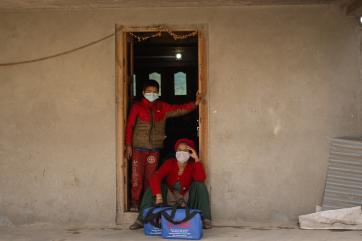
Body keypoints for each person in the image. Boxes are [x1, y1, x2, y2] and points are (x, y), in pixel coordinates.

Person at [125, 79, 203, 211]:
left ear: (158, 93)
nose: (152, 94)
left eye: (155, 92)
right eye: (149, 91)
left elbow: (179, 109)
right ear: (143, 92)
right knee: (136, 177)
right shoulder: (137, 107)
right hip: (138, 147)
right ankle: (135, 202)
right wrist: (128, 145)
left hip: (154, 148)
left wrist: (194, 104)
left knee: (150, 178)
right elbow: (129, 126)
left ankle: (147, 202)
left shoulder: (162, 107)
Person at [129, 138, 212, 230]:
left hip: (186, 199)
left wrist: (196, 159)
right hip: (169, 197)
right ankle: (141, 220)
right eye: (179, 150)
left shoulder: (192, 165)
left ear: (190, 152)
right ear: (176, 151)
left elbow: (200, 178)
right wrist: (158, 195)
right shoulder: (170, 163)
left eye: (185, 150)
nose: (181, 153)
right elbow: (156, 177)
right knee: (153, 188)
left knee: (200, 185)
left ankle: (206, 220)